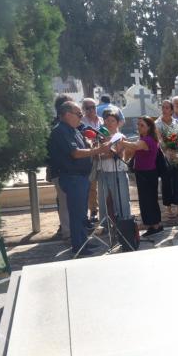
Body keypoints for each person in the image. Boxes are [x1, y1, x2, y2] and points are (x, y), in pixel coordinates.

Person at [47, 101, 110, 254]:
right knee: (76, 214)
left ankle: (83, 243)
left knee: (82, 214)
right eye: (79, 114)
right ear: (67, 114)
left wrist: (92, 145)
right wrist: (98, 150)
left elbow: (83, 148)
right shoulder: (61, 131)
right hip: (72, 177)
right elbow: (75, 153)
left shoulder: (74, 129)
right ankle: (79, 247)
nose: (81, 117)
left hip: (81, 177)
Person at [118, 117, 163, 236]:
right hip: (145, 173)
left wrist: (121, 141)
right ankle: (153, 224)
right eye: (138, 125)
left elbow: (135, 146)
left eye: (142, 125)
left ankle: (155, 225)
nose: (139, 127)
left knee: (148, 201)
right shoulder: (145, 138)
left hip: (147, 174)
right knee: (147, 200)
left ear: (149, 127)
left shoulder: (147, 140)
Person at [98, 108, 131, 223]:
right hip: (103, 171)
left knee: (122, 199)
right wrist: (103, 152)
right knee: (103, 201)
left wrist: (103, 152)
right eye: (107, 120)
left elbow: (118, 154)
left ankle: (125, 222)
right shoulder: (99, 136)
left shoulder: (120, 136)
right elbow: (96, 155)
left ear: (117, 123)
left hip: (117, 171)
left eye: (112, 121)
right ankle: (105, 224)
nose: (109, 123)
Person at [48, 94, 73, 241]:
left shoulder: (74, 124)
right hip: (62, 170)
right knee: (63, 202)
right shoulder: (56, 127)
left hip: (73, 171)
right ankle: (67, 231)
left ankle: (73, 229)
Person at [155, 100, 178, 218]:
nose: (164, 110)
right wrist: (168, 150)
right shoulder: (157, 124)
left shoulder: (177, 122)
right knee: (167, 183)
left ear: (172, 110)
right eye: (163, 107)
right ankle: (168, 209)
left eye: (167, 108)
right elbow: (159, 140)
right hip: (165, 157)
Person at [81, 98, 103, 223]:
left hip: (104, 156)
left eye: (93, 107)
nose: (91, 110)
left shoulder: (101, 121)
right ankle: (93, 211)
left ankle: (107, 209)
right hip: (90, 157)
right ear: (84, 109)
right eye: (87, 108)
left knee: (105, 184)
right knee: (92, 185)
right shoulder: (82, 122)